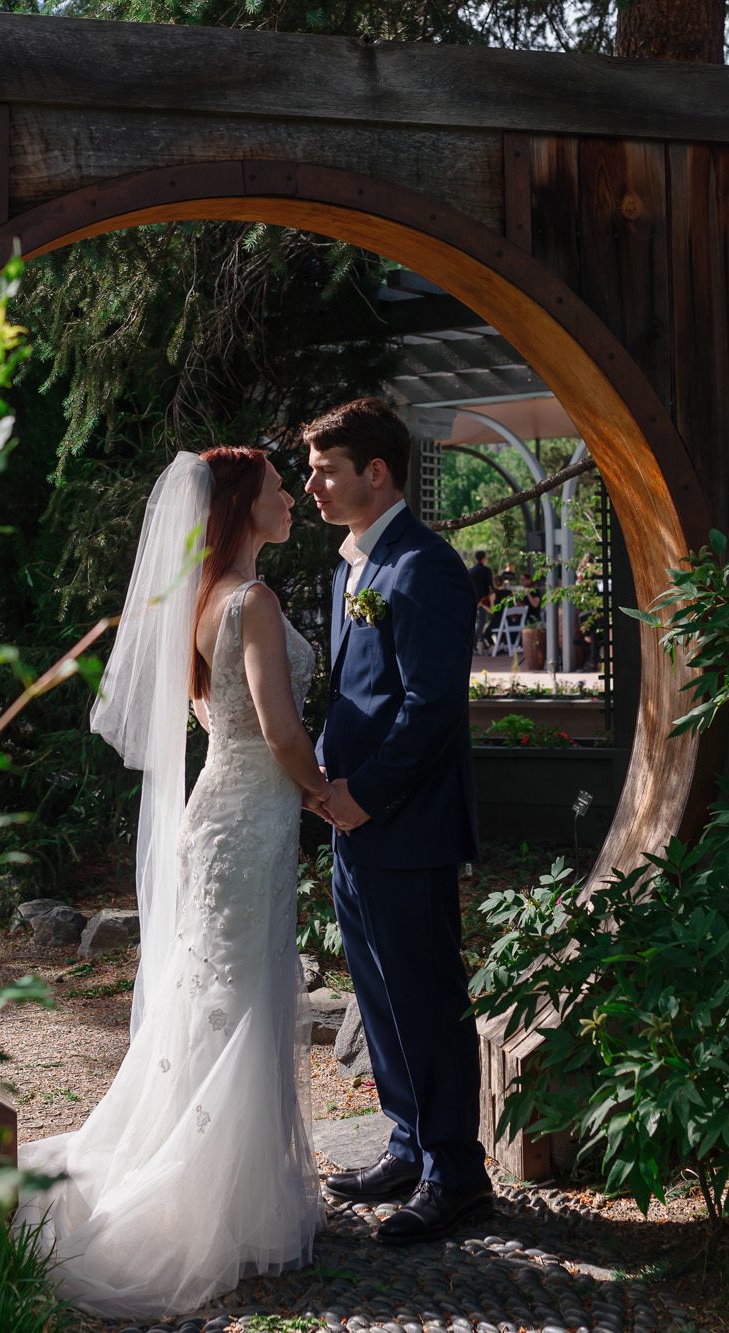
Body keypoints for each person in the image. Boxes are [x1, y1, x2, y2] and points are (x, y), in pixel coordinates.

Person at [16, 448, 327, 1318]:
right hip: (253, 812)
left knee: (221, 997)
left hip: (216, 812)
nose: (290, 498)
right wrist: (325, 794)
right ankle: (213, 1208)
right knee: (242, 998)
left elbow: (214, 712)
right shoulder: (254, 601)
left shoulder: (203, 600)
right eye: (276, 489)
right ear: (240, 506)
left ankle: (236, 1194)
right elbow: (276, 727)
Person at [301, 396, 494, 1244]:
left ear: (375, 472)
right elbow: (357, 694)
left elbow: (430, 708)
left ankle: (457, 1173)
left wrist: (365, 794)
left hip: (403, 823)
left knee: (427, 996)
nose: (310, 483)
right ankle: (409, 1143)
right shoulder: (353, 568)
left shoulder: (426, 567)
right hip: (352, 822)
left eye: (326, 468)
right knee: (379, 994)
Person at [467, 549, 495, 651]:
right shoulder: (486, 571)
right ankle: (476, 642)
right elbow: (491, 587)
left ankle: (475, 642)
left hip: (473, 600)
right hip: (484, 601)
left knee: (475, 622)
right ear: (484, 558)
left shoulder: (470, 571)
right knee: (482, 622)